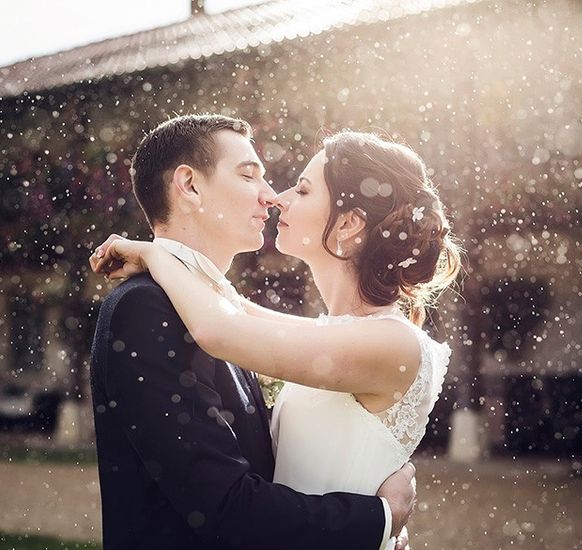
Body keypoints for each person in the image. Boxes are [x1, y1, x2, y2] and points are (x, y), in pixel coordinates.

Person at [92, 127, 461, 550]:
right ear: (189, 186)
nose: (275, 197)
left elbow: (223, 326)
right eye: (250, 175)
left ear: (347, 224)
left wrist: (156, 254)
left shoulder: (389, 342)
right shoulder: (153, 308)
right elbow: (233, 312)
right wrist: (379, 519)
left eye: (302, 191)